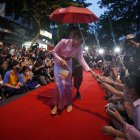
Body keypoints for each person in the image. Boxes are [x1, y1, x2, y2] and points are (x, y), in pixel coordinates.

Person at [51, 30, 95, 115]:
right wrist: (60, 59)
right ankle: (55, 105)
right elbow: (53, 52)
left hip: (67, 65)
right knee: (57, 84)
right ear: (75, 38)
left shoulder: (79, 48)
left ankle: (69, 103)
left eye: (84, 41)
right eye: (81, 40)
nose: (82, 43)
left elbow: (81, 59)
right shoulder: (64, 41)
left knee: (67, 85)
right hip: (58, 65)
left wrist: (90, 70)